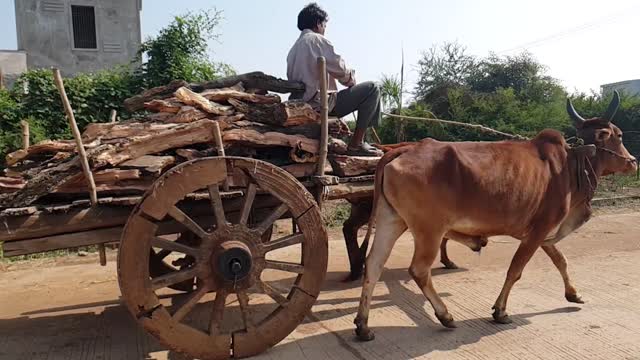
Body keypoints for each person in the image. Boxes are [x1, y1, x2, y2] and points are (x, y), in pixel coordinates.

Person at [287, 3, 383, 157]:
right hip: (319, 104)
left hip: (300, 104)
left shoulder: (293, 49)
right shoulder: (317, 40)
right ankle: (357, 143)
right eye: (324, 24)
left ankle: (358, 141)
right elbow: (342, 71)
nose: (325, 29)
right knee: (373, 88)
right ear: (318, 23)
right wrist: (352, 80)